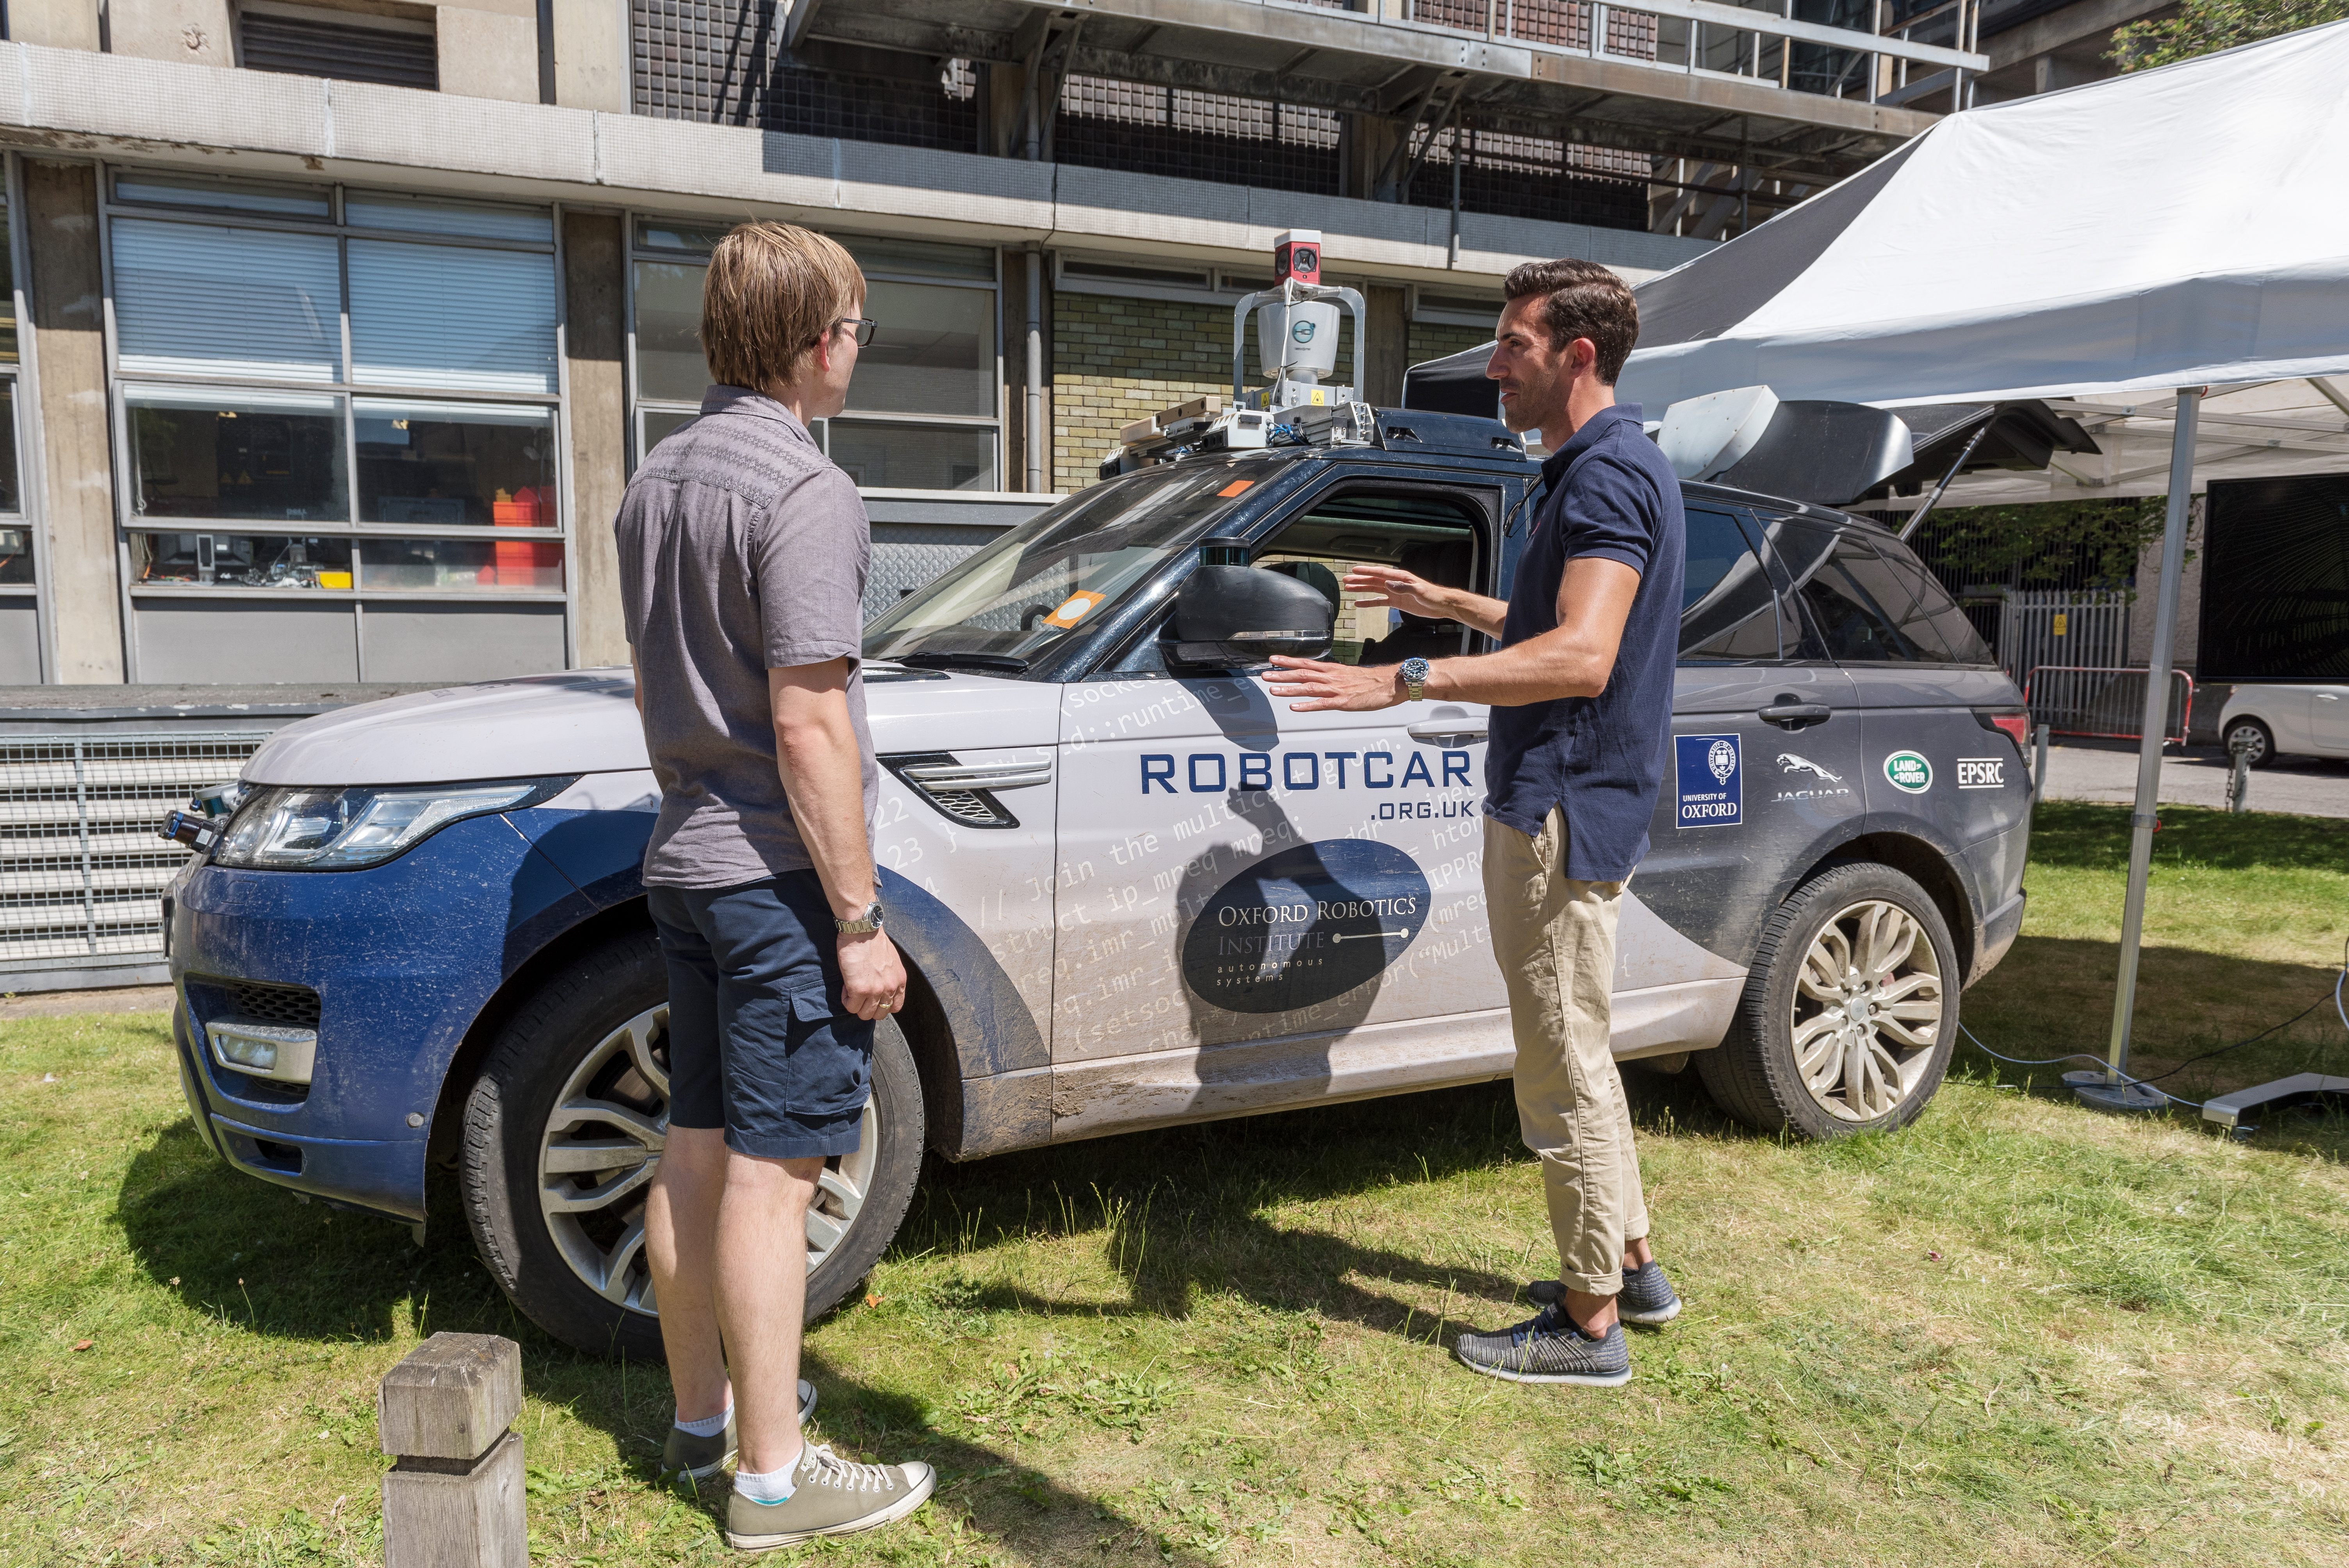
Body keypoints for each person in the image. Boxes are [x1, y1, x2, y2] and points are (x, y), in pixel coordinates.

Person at [1264, 257, 1686, 1387]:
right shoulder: (1616, 465)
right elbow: (1566, 622)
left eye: (1514, 345)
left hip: (1556, 806)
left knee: (1559, 1065)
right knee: (1579, 1043)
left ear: (1578, 355)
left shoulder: (1602, 478)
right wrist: (1454, 606)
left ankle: (1588, 1322)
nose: (1495, 368)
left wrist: (1404, 682)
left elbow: (1585, 655)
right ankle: (1633, 1264)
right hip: (1574, 800)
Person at [616, 220, 935, 1547]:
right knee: (776, 1172)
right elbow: (812, 721)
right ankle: (772, 1477)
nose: (858, 353)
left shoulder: (659, 476)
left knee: (693, 1148)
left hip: (685, 858)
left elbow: (652, 683)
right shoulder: (804, 490)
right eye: (855, 330)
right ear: (817, 342)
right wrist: (858, 920)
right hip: (772, 879)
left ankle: (705, 1427)